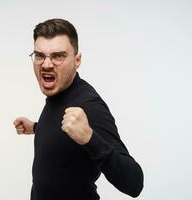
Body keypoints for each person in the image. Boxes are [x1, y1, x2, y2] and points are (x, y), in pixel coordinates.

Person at [13, 18, 144, 200]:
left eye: (58, 56)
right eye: (40, 55)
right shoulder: (58, 92)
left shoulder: (90, 106)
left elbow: (134, 183)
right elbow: (62, 131)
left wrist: (90, 138)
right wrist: (36, 127)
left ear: (77, 60)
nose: (46, 64)